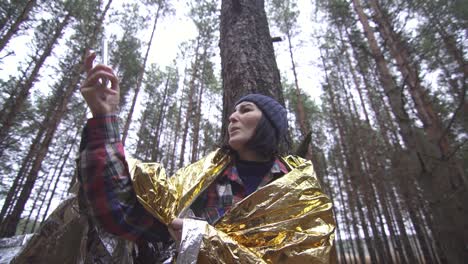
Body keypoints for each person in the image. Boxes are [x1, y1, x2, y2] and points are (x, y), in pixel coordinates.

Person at [78, 52, 336, 263]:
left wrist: (202, 242)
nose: (232, 117)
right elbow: (120, 212)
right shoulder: (205, 179)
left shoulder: (299, 191)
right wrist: (104, 117)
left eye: (245, 110)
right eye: (232, 112)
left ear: (269, 124)